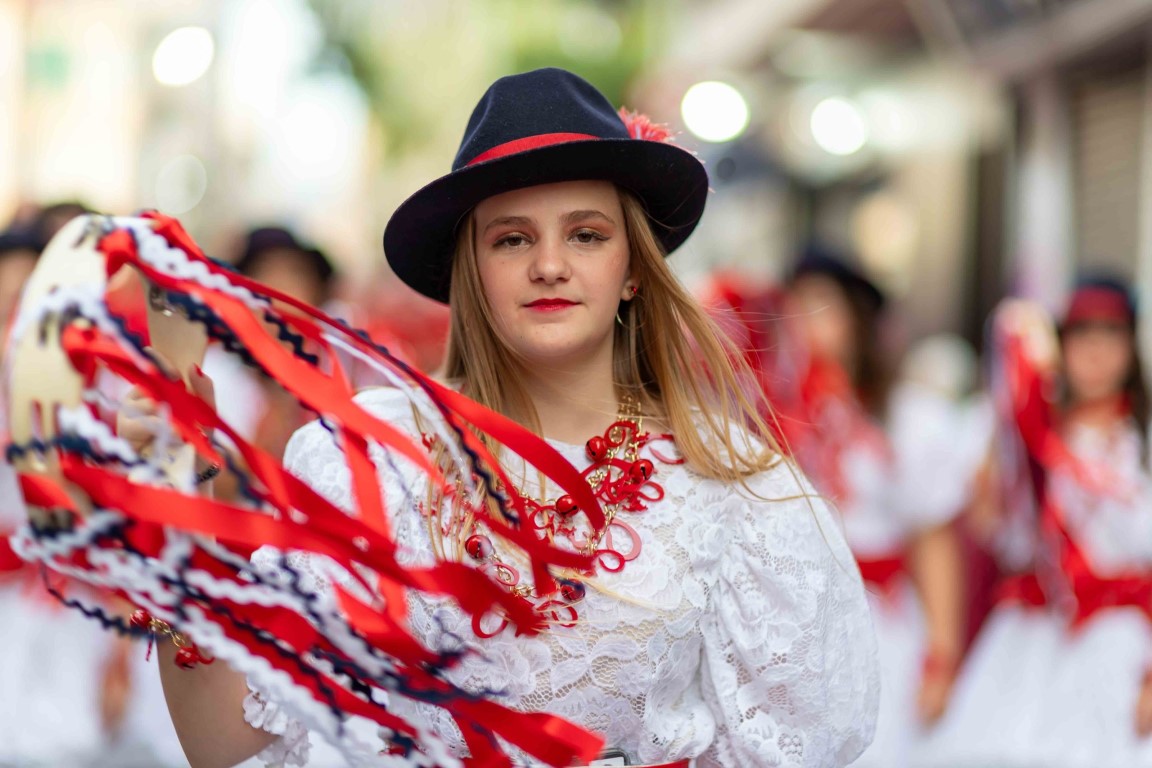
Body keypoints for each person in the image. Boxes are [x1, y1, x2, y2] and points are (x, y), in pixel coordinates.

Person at [132, 67, 878, 767]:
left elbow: (794, 742)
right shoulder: (369, 457)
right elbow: (221, 741)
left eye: (586, 234)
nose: (549, 264)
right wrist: (173, 488)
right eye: (512, 238)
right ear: (474, 272)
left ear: (631, 271)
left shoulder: (729, 481)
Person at [919, 278, 1152, 767]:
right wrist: (1011, 426)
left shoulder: (1141, 446)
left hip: (1119, 644)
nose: (1095, 350)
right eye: (1082, 333)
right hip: (1030, 640)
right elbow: (989, 528)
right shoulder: (1028, 438)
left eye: (1111, 333)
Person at [773, 253, 965, 768]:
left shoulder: (906, 416)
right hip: (791, 626)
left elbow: (934, 542)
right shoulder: (768, 416)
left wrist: (941, 659)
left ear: (856, 316)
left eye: (820, 302)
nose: (803, 318)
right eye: (794, 303)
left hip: (878, 624)